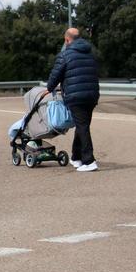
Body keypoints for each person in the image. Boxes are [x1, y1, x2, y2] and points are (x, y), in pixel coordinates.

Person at [44, 28, 100, 172]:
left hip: (76, 96)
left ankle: (89, 161)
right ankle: (76, 157)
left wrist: (49, 89)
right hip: (92, 95)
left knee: (82, 126)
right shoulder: (90, 53)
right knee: (83, 125)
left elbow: (56, 75)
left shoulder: (65, 55)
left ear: (67, 40)